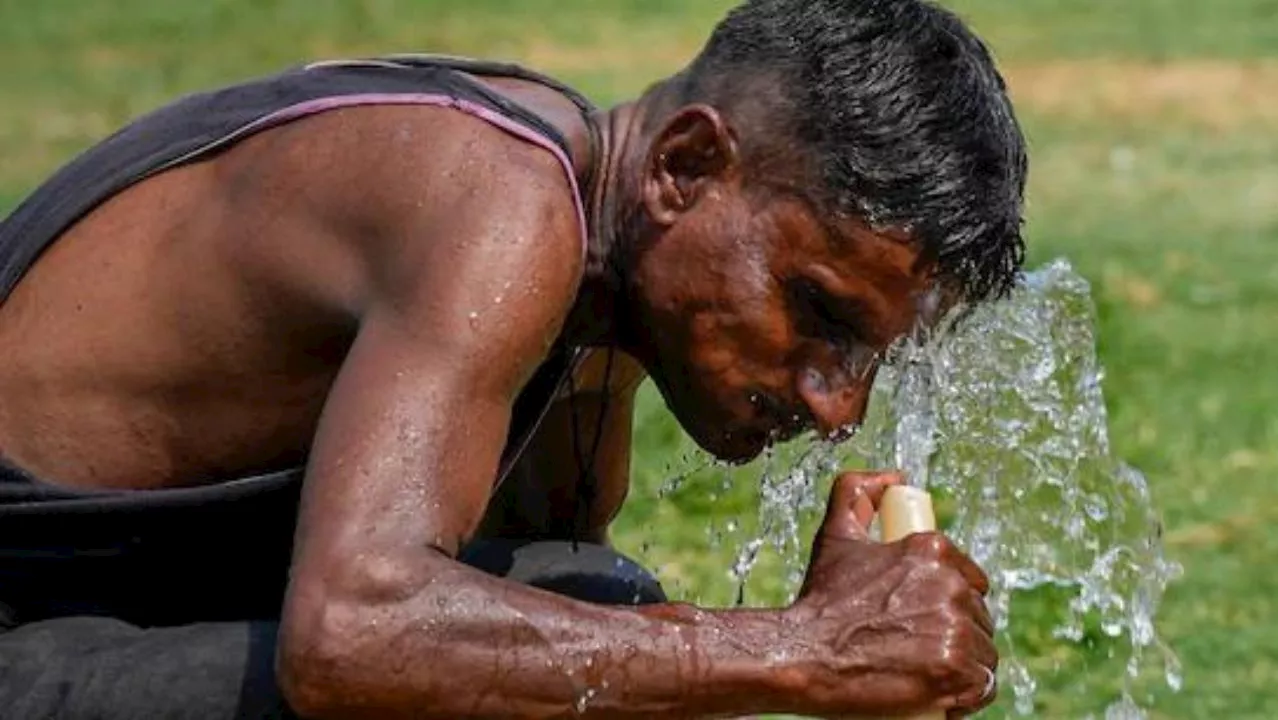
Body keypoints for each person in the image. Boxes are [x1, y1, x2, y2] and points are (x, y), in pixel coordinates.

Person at [0, 0, 1027, 717]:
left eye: (869, 359)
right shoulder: (498, 199)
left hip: (107, 622)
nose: (835, 403)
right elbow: (355, 635)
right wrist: (805, 652)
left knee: (585, 607)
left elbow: (535, 583)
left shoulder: (604, 270)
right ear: (686, 166)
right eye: (816, 311)